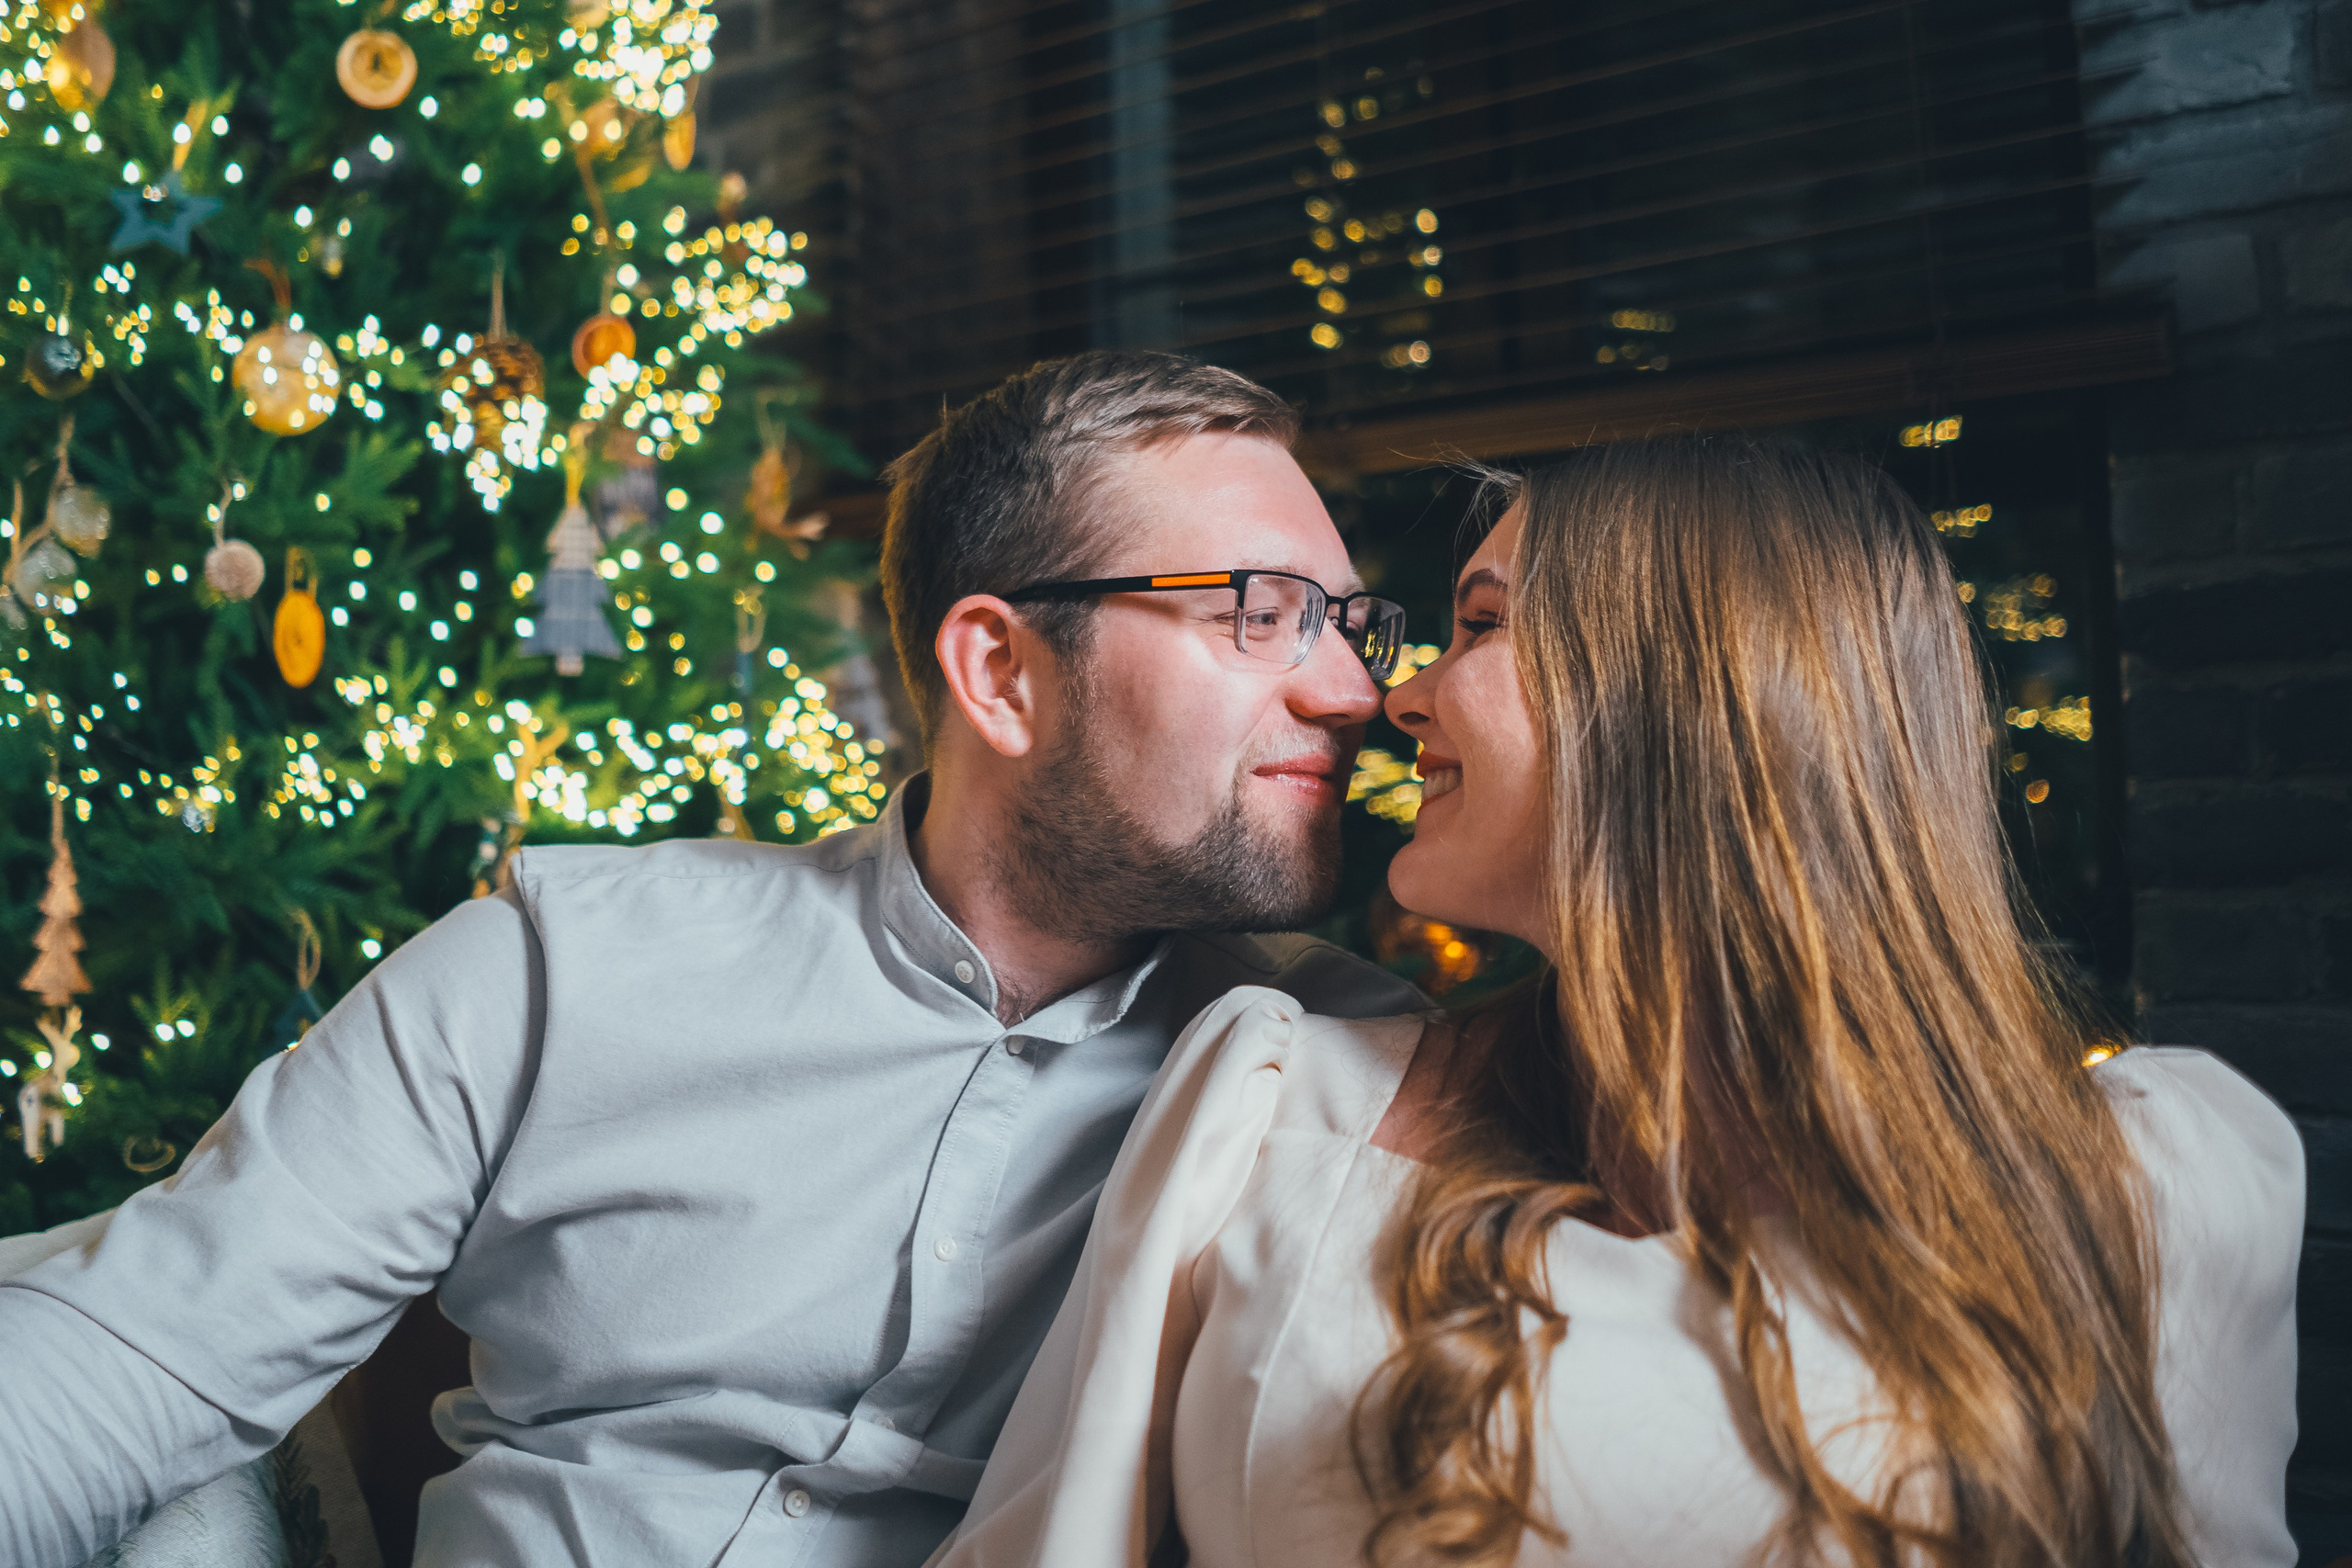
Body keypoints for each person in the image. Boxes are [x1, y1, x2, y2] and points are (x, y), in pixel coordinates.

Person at [0, 350, 1424, 1568]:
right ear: (999, 673)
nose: (1355, 691)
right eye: (1262, 611)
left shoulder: (1354, 1081)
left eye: (1351, 622)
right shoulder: (557, 970)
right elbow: (139, 1361)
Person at [934, 438, 2303, 1568]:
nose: (1387, 698)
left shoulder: (2162, 1173)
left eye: (1477, 626)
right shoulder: (1271, 1099)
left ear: (1685, 690)